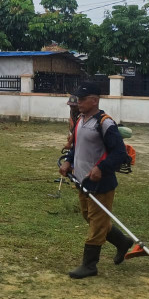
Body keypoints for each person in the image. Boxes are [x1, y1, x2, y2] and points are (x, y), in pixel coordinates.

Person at [59, 82, 133, 279]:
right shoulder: (80, 120)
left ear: (94, 100)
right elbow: (76, 147)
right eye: (78, 99)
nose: (78, 103)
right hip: (81, 179)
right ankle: (122, 242)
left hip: (101, 182)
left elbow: (119, 153)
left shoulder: (105, 123)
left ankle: (90, 265)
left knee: (97, 224)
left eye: (82, 100)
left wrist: (101, 168)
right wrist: (68, 161)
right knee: (90, 218)